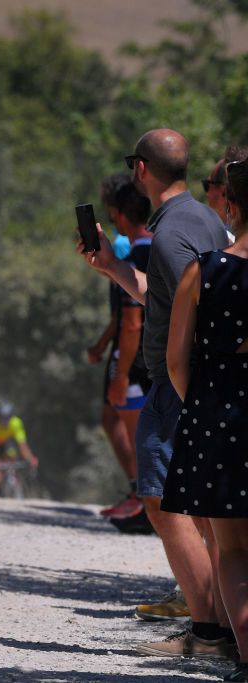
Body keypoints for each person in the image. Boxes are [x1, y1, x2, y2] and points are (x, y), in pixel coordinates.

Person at [78, 128, 229, 658]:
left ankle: (209, 633)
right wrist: (115, 268)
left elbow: (197, 319)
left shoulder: (167, 237)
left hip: (179, 383)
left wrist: (183, 389)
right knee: (208, 509)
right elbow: (166, 299)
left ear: (142, 169)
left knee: (161, 501)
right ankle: (223, 625)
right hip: (207, 382)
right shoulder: (206, 219)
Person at [164, 159, 248, 679]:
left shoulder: (204, 271)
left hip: (220, 414)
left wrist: (204, 405)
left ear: (230, 205)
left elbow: (176, 361)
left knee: (234, 548)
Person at [90, 174, 144, 520]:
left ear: (116, 213)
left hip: (135, 355)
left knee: (130, 424)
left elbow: (132, 318)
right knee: (116, 419)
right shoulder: (154, 245)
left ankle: (143, 495)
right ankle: (142, 493)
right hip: (139, 350)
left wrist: (122, 371)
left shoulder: (130, 249)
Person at [0, 401, 39, 495]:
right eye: (2, 419)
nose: (4, 422)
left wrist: (30, 459)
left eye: (7, 419)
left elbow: (22, 445)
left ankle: (16, 486)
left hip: (6, 444)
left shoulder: (16, 423)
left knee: (13, 459)